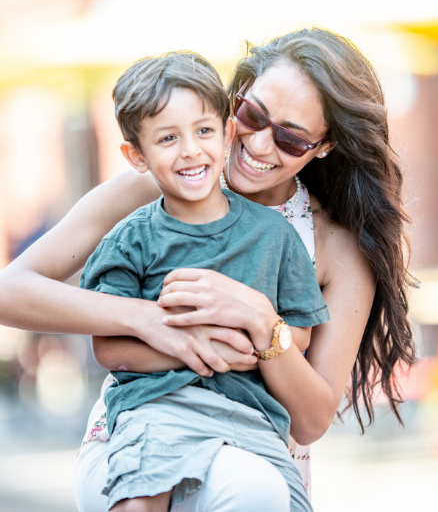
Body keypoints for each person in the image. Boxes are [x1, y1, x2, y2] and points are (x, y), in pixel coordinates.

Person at [0, 28, 416, 511]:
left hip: (253, 459)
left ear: (324, 147)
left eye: (290, 138)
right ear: (234, 95)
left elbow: (311, 420)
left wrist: (264, 324)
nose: (259, 144)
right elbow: (11, 290)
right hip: (142, 440)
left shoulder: (334, 248)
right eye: (253, 115)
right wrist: (146, 319)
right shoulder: (161, 186)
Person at [82, 50, 328, 512]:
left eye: (203, 131)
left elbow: (300, 333)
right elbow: (110, 349)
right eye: (168, 138)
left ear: (226, 132)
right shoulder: (130, 238)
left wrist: (255, 333)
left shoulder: (276, 237)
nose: (191, 150)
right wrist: (200, 350)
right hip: (158, 407)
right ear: (137, 155)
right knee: (139, 496)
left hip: (252, 419)